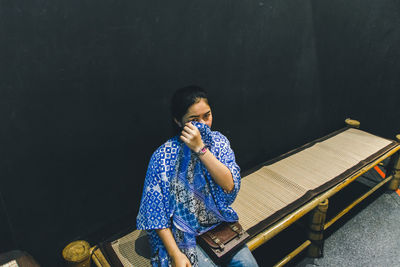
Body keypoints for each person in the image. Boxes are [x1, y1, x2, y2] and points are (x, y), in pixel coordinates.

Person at [136, 86, 258, 267]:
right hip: (180, 233)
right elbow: (155, 213)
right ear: (178, 121)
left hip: (216, 222)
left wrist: (201, 149)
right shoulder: (162, 156)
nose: (202, 124)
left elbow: (229, 185)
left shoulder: (219, 142)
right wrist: (175, 254)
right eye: (194, 120)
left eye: (207, 116)